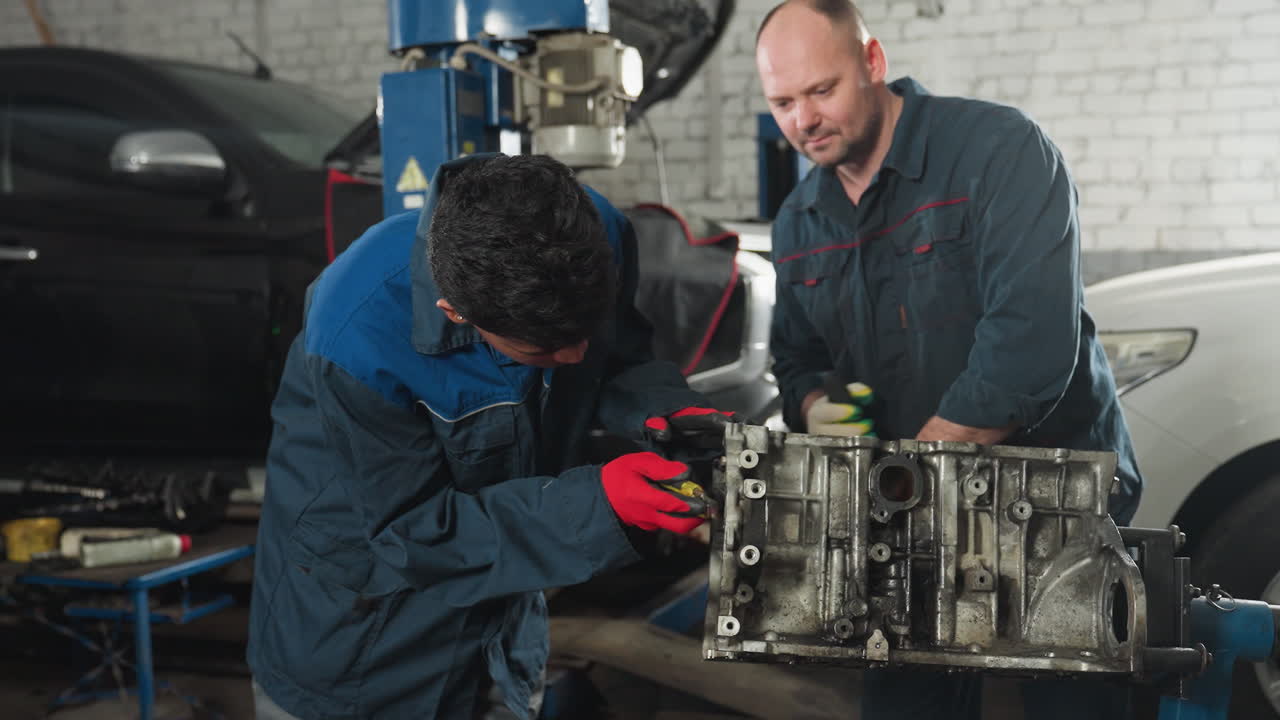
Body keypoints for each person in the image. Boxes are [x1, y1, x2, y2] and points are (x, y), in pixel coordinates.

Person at [755, 1, 1142, 718]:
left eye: (821, 90)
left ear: (872, 62)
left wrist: (914, 472)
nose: (803, 119)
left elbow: (1028, 342)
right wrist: (820, 410)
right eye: (782, 103)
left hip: (1049, 508)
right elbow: (797, 357)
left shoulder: (998, 151)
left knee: (1073, 705)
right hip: (906, 532)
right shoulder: (799, 221)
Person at [247, 153, 730, 719]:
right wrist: (599, 505)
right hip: (362, 646)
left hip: (504, 622)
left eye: (585, 331)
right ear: (457, 313)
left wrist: (661, 407)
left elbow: (618, 356)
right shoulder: (356, 335)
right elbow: (415, 530)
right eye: (543, 350)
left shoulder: (593, 235)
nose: (577, 356)